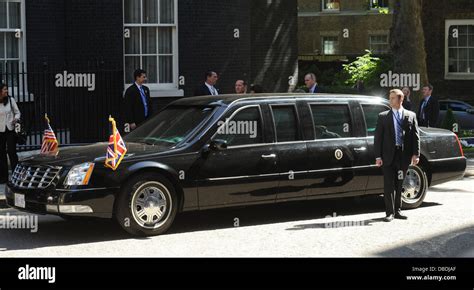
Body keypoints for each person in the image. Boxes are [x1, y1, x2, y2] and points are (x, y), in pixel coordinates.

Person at [375, 89, 420, 222]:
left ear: (401, 99)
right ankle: (389, 213)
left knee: (400, 183)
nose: (390, 100)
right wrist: (378, 156)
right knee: (389, 184)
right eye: (390, 98)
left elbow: (415, 136)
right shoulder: (383, 116)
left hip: (403, 156)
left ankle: (398, 211)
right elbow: (378, 138)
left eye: (393, 98)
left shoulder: (410, 115)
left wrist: (415, 154)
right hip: (388, 156)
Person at [0, 84, 21, 184]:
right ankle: (4, 177)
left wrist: (16, 118)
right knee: (1, 154)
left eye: (6, 89)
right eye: (4, 89)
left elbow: (17, 112)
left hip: (10, 130)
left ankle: (15, 176)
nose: (6, 91)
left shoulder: (10, 100)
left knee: (12, 152)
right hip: (0, 131)